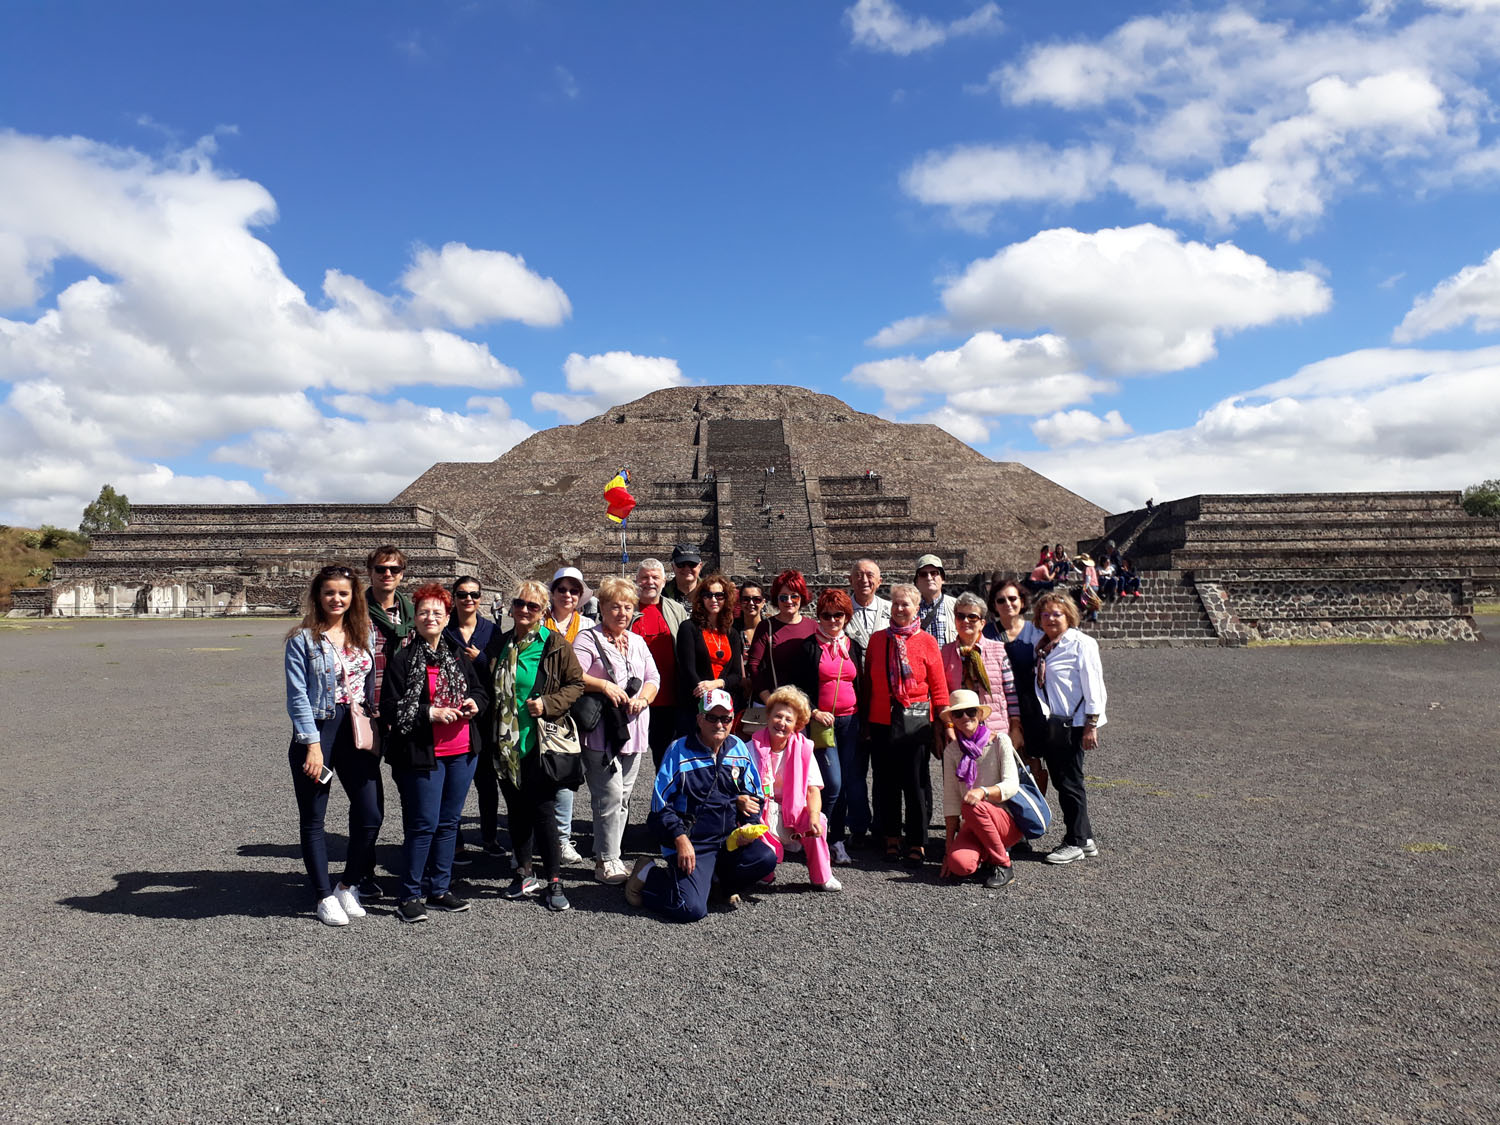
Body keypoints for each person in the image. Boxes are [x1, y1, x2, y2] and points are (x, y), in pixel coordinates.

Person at [381, 583, 489, 923]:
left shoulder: (456, 654)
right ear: (416, 618)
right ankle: (410, 894)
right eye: (425, 612)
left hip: (462, 750)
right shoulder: (402, 659)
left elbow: (479, 690)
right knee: (422, 824)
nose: (431, 618)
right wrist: (430, 713)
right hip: (422, 753)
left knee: (449, 823)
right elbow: (389, 708)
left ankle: (440, 888)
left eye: (438, 613)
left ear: (446, 618)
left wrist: (474, 702)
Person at [624, 689, 778, 922]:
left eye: (725, 719)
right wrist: (679, 838)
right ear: (699, 719)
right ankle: (649, 876)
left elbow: (754, 796)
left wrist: (749, 825)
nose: (719, 724)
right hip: (694, 843)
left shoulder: (738, 748)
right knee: (690, 909)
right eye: (712, 718)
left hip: (728, 839)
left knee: (766, 858)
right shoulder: (678, 750)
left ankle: (716, 887)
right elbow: (659, 806)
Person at [283, 565, 381, 926]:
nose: (336, 599)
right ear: (318, 596)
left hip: (354, 728)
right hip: (319, 730)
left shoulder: (363, 634)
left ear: (354, 596)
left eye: (343, 592)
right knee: (314, 818)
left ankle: (347, 884)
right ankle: (323, 895)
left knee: (370, 812)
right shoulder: (302, 640)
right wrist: (311, 744)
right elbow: (297, 698)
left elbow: (370, 683)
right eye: (329, 592)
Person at [486, 579, 586, 911]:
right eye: (519, 604)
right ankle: (525, 873)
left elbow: (576, 685)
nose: (525, 610)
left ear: (544, 610)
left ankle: (555, 881)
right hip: (507, 745)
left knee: (544, 812)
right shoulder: (500, 644)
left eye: (532, 606)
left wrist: (549, 703)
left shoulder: (555, 644)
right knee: (516, 812)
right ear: (511, 607)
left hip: (541, 741)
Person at [573, 575, 660, 885]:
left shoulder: (637, 642)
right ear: (603, 608)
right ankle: (607, 861)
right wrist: (605, 685)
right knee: (608, 795)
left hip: (634, 730)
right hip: (602, 732)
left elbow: (653, 678)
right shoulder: (587, 638)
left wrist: (644, 700)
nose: (621, 613)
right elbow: (576, 676)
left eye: (627, 607)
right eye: (614, 607)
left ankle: (606, 850)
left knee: (622, 797)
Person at [863, 582, 949, 864]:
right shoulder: (877, 640)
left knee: (915, 783)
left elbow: (938, 687)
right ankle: (891, 837)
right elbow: (869, 682)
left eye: (906, 605)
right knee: (886, 782)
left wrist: (943, 723)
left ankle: (916, 840)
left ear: (916, 609)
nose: (900, 609)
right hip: (881, 719)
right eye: (896, 604)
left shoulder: (927, 641)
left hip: (915, 720)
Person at [1032, 591, 1107, 865]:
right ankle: (1084, 838)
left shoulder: (1082, 644)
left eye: (1057, 614)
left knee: (1071, 783)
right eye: (1046, 614)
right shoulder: (1044, 645)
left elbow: (1094, 686)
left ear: (1069, 616)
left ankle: (1074, 841)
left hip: (1074, 725)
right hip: (1054, 724)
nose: (1051, 618)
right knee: (1063, 782)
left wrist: (1092, 724)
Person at [792, 587, 862, 866]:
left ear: (847, 617)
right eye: (826, 615)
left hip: (851, 720)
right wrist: (814, 712)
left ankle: (837, 839)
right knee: (830, 783)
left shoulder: (852, 646)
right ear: (818, 616)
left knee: (845, 782)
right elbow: (799, 688)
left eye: (839, 615)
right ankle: (816, 832)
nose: (833, 620)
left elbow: (861, 682)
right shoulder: (809, 647)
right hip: (822, 723)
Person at [748, 686, 841, 891]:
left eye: (788, 719)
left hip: (794, 810)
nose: (781, 723)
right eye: (777, 716)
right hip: (762, 810)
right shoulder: (750, 747)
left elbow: (813, 789)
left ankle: (821, 876)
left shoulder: (805, 748)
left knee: (820, 821)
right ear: (768, 716)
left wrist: (814, 816)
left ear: (797, 724)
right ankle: (764, 871)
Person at [360, 544, 412, 900]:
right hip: (365, 715)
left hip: (405, 717)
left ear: (402, 573)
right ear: (370, 572)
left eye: (394, 569)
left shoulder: (413, 612)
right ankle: (362, 872)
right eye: (381, 569)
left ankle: (412, 871)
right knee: (369, 804)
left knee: (413, 798)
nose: (387, 574)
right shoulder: (354, 610)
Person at [443, 576, 504, 867]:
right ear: (453, 597)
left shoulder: (491, 631)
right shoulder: (444, 630)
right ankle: (453, 841)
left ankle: (489, 838)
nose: (469, 599)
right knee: (452, 783)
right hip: (451, 718)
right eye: (462, 594)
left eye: (474, 595)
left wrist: (480, 659)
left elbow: (500, 675)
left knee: (487, 782)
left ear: (481, 598)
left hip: (484, 715)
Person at [937, 690, 1021, 889]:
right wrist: (948, 848)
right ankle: (987, 854)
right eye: (958, 714)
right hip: (973, 823)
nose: (965, 717)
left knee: (971, 805)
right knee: (960, 866)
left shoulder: (1000, 741)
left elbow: (1012, 785)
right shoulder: (952, 751)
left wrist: (983, 791)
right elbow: (950, 800)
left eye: (970, 711)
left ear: (979, 715)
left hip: (1004, 821)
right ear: (953, 720)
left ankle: (1003, 864)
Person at [546, 566, 596, 867]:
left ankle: (562, 838)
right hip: (538, 707)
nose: (567, 594)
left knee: (565, 776)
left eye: (574, 590)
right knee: (536, 776)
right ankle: (533, 837)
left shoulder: (589, 626)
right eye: (562, 589)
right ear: (552, 593)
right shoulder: (538, 620)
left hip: (571, 710)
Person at [984, 575, 1048, 796]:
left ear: (1022, 601)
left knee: (1032, 761)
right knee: (1000, 761)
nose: (1007, 604)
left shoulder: (1038, 633)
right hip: (998, 707)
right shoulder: (987, 634)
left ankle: (1034, 811)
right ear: (994, 605)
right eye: (1001, 600)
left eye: (1012, 598)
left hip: (1031, 707)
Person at [940, 591, 1021, 750]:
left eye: (972, 617)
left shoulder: (998, 650)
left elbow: (1010, 692)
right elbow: (942, 695)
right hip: (958, 731)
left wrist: (1016, 727)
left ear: (982, 623)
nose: (965, 621)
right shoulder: (945, 652)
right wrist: (948, 727)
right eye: (960, 616)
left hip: (994, 729)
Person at [632, 558, 689, 768]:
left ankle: (664, 800)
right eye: (645, 577)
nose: (650, 582)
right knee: (627, 759)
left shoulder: (676, 610)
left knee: (665, 759)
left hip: (667, 698)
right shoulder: (625, 609)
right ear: (636, 580)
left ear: (664, 581)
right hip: (633, 698)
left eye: (655, 577)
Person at [675, 573, 743, 733]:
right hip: (696, 704)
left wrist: (716, 684)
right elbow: (687, 669)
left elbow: (737, 675)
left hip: (723, 705)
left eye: (719, 595)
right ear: (701, 598)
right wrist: (706, 697)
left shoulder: (732, 633)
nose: (714, 600)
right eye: (708, 595)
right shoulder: (689, 628)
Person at [745, 569, 817, 706]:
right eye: (783, 597)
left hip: (804, 704)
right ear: (776, 599)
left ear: (802, 597)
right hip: (773, 703)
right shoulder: (766, 627)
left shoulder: (814, 627)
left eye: (794, 596)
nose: (789, 601)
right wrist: (768, 699)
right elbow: (753, 666)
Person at [845, 558, 890, 650]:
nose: (864, 580)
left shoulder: (892, 610)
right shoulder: (841, 611)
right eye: (859, 575)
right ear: (850, 580)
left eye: (870, 575)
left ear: (879, 582)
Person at [734, 579, 766, 707]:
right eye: (746, 599)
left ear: (763, 602)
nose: (751, 603)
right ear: (740, 603)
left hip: (765, 694)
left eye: (756, 599)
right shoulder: (732, 630)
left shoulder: (770, 629)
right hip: (738, 693)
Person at [914, 554, 957, 646]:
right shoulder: (908, 609)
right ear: (917, 582)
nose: (929, 578)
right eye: (923, 574)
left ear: (942, 579)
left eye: (934, 573)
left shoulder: (957, 607)